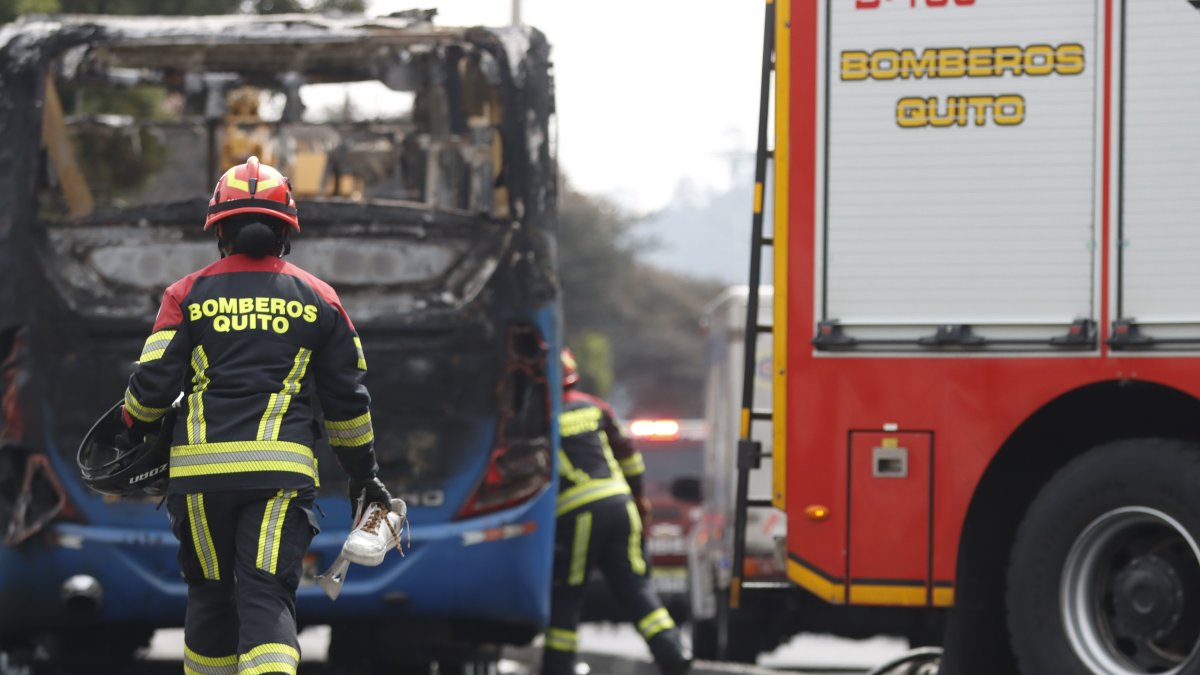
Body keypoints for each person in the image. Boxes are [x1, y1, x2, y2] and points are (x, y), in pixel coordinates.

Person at [120, 156, 392, 675]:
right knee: (266, 598)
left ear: (219, 230)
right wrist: (365, 476)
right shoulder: (321, 300)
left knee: (210, 599)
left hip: (199, 479)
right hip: (279, 478)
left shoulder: (184, 295)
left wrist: (132, 427)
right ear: (286, 234)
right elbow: (347, 405)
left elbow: (150, 391)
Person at [542, 348, 692, 675]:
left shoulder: (537, 416)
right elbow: (629, 458)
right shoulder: (595, 407)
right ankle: (672, 653)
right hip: (621, 505)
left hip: (579, 512)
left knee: (568, 592)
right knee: (634, 585)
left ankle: (558, 668)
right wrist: (639, 500)